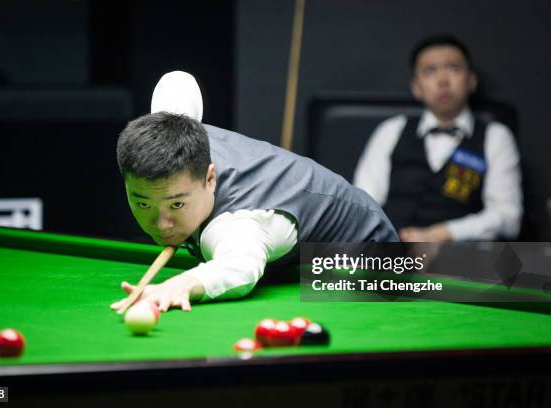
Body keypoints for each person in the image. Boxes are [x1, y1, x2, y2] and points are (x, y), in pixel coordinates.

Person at [110, 71, 398, 313]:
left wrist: (181, 284)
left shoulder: (241, 221)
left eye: (176, 206)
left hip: (376, 269)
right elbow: (178, 84)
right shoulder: (178, 134)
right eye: (143, 204)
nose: (161, 224)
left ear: (210, 179)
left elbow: (238, 269)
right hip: (297, 261)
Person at [354, 34, 522, 242]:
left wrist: (442, 234)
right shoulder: (391, 130)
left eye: (453, 68)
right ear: (416, 87)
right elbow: (362, 206)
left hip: (460, 259)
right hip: (390, 254)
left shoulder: (496, 137)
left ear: (471, 81)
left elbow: (508, 217)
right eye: (430, 71)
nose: (443, 80)